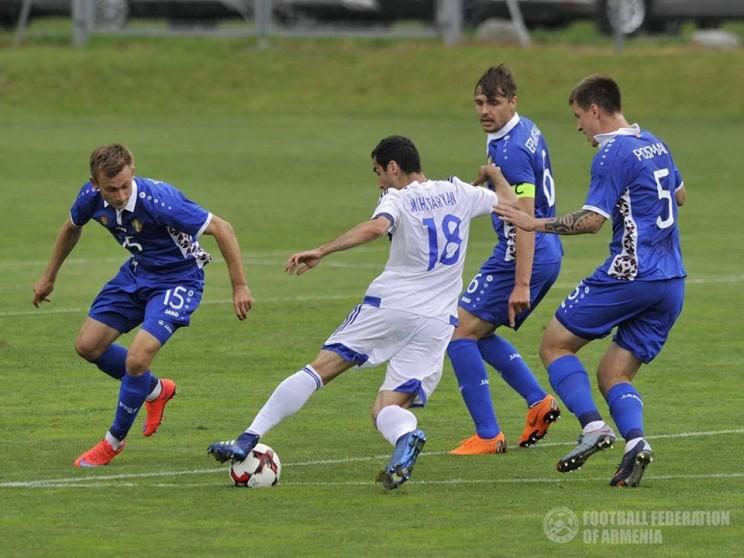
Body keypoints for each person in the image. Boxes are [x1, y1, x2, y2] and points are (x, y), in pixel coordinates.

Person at [207, 135, 517, 489]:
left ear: (393, 167)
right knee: (387, 406)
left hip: (392, 306)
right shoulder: (459, 191)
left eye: (378, 172)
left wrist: (323, 250)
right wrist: (495, 175)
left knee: (320, 369)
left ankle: (248, 437)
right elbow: (510, 202)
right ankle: (405, 437)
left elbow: (377, 226)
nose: (379, 182)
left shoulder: (398, 197)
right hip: (438, 321)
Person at [494, 74, 686, 487]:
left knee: (554, 344)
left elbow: (591, 221)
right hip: (672, 281)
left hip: (631, 274)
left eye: (579, 116)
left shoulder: (611, 153)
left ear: (595, 111)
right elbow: (680, 195)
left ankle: (594, 427)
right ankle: (636, 442)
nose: (579, 126)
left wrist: (533, 222)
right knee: (613, 374)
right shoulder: (655, 143)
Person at [32, 144, 254, 468]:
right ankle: (155, 390)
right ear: (95, 183)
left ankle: (113, 442)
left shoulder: (160, 200)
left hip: (179, 281)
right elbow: (71, 227)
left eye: (125, 185)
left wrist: (240, 285)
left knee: (136, 360)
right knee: (88, 345)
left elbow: (223, 228)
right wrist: (49, 276)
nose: (120, 195)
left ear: (133, 172)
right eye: (111, 189)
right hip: (138, 273)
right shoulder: (90, 197)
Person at [447, 65, 563, 456]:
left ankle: (488, 434)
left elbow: (524, 217)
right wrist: (491, 177)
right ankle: (538, 402)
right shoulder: (521, 129)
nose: (485, 110)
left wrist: (521, 283)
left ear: (512, 101)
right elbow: (515, 187)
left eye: (493, 103)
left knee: (458, 333)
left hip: (522, 252)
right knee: (477, 332)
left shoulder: (511, 151)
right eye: (479, 102)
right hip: (541, 249)